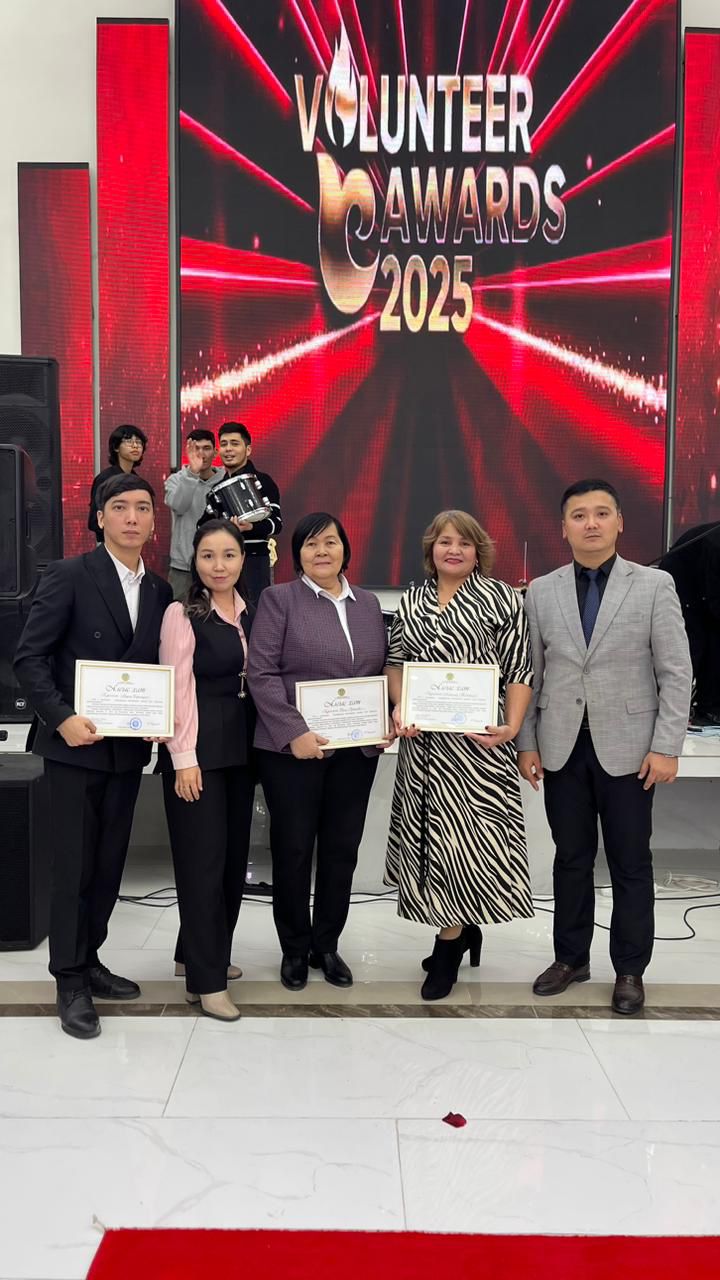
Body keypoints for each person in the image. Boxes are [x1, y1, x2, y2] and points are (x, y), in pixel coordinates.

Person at [517, 480, 693, 1015]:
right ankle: (570, 959)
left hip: (632, 750)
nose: (590, 523)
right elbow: (530, 673)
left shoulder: (654, 585)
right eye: (578, 515)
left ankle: (630, 969)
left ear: (619, 522)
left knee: (630, 862)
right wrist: (527, 742)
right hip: (562, 748)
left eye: (600, 513)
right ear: (563, 527)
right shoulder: (541, 591)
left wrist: (667, 746)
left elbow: (676, 671)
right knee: (570, 859)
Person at [14, 475, 172, 1040]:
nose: (132, 517)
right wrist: (61, 717)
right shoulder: (68, 574)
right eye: (119, 507)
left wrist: (161, 718)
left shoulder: (160, 592)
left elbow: (156, 670)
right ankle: (69, 980)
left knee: (107, 867)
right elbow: (30, 659)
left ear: (154, 521)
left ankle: (92, 959)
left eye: (142, 508)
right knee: (73, 869)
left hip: (125, 751)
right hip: (74, 750)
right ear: (99, 518)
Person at [385, 510, 535, 1001]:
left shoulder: (503, 599)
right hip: (424, 747)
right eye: (445, 541)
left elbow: (519, 670)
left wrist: (512, 726)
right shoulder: (411, 601)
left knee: (464, 845)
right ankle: (464, 928)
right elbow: (395, 664)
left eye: (465, 543)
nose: (454, 550)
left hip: (478, 747)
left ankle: (447, 945)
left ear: (478, 551)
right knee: (433, 843)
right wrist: (401, 707)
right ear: (431, 548)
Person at [247, 513, 388, 991]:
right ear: (297, 555)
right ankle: (293, 947)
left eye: (330, 542)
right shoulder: (279, 599)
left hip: (354, 752)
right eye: (310, 544)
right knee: (292, 849)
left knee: (341, 850)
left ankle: (326, 944)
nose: (321, 551)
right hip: (293, 753)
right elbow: (261, 673)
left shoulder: (368, 604)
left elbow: (378, 673)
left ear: (345, 549)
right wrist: (294, 732)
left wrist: (384, 720)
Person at [158, 520, 256, 1023]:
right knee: (202, 866)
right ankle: (207, 981)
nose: (219, 566)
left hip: (241, 752)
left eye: (229, 555)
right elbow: (177, 689)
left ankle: (195, 954)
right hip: (197, 756)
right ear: (194, 561)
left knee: (231, 861)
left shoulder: (249, 611)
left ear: (242, 559)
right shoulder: (182, 613)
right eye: (208, 556)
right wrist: (184, 759)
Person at [202, 422, 282, 604]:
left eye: (235, 443)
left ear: (248, 449)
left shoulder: (264, 481)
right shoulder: (216, 489)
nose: (228, 449)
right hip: (222, 563)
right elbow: (202, 525)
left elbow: (277, 524)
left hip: (254, 561)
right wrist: (221, 529)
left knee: (254, 613)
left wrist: (251, 527)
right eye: (224, 444)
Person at [164, 429, 222, 600]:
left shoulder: (225, 479)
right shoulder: (176, 480)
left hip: (219, 565)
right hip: (183, 566)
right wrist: (192, 475)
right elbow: (179, 507)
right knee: (178, 612)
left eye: (206, 448)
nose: (201, 454)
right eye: (196, 448)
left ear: (215, 452)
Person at [88, 425, 147, 543]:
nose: (135, 446)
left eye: (139, 442)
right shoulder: (105, 479)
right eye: (129, 441)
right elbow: (94, 521)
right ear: (116, 447)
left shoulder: (138, 481)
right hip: (109, 544)